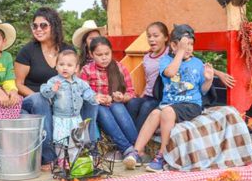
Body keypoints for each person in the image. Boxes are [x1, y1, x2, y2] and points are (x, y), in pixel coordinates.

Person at [15, 7, 99, 171]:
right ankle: (49, 157)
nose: (38, 29)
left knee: (91, 101)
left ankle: (87, 149)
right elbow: (18, 84)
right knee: (41, 99)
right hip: (34, 97)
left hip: (62, 99)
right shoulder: (28, 51)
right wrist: (45, 98)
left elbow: (76, 79)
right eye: (35, 26)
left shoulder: (67, 50)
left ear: (54, 26)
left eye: (43, 25)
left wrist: (93, 96)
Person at [124, 24, 214, 172]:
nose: (188, 48)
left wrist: (209, 80)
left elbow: (203, 91)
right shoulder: (165, 61)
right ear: (173, 45)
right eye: (185, 45)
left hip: (190, 104)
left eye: (191, 44)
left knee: (166, 112)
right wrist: (180, 52)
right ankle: (137, 152)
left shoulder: (197, 63)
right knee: (155, 113)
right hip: (170, 103)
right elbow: (171, 73)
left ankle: (162, 155)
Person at [80, 36, 139, 168]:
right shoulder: (86, 70)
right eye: (99, 55)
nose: (104, 57)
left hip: (116, 103)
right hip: (97, 106)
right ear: (91, 54)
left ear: (111, 52)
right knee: (102, 111)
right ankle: (129, 149)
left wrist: (121, 97)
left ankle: (137, 146)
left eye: (107, 54)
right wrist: (95, 97)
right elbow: (82, 92)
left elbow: (131, 92)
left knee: (117, 108)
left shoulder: (119, 67)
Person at [40, 50, 99, 168]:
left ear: (76, 68)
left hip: (76, 118)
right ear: (56, 66)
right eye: (61, 64)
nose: (65, 68)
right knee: (60, 141)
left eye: (69, 65)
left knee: (75, 141)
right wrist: (53, 89)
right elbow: (45, 92)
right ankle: (61, 160)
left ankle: (73, 161)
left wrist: (94, 98)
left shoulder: (80, 83)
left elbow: (87, 93)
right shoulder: (54, 81)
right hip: (61, 118)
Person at [125, 21, 169, 130]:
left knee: (146, 106)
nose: (151, 39)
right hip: (148, 95)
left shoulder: (170, 54)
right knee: (132, 103)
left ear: (166, 38)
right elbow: (149, 80)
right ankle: (131, 134)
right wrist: (142, 94)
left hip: (162, 97)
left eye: (156, 36)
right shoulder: (147, 58)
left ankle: (136, 140)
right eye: (149, 36)